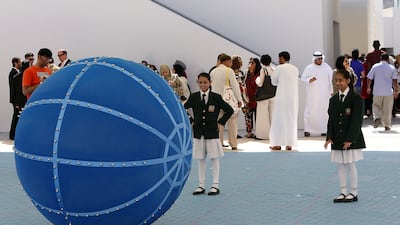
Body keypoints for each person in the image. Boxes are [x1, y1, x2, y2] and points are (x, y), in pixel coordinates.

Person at [184, 72, 233, 196]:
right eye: (200, 82)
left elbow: (229, 110)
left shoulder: (216, 97)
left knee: (214, 157)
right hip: (199, 132)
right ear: (197, 83)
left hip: (212, 132)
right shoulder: (194, 97)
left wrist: (221, 122)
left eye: (205, 82)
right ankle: (201, 185)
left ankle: (215, 185)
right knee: (200, 158)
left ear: (210, 82)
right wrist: (191, 120)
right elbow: (183, 108)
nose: (203, 85)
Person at [324, 69, 366, 203]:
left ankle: (353, 192)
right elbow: (331, 120)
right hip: (337, 138)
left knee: (350, 164)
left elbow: (356, 121)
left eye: (341, 80)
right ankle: (343, 192)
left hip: (350, 138)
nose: (338, 83)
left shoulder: (356, 99)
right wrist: (329, 136)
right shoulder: (333, 100)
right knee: (340, 165)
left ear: (348, 81)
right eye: (336, 80)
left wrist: (350, 139)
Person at [210, 53, 243, 150]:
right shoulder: (229, 71)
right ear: (226, 61)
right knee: (232, 121)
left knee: (219, 122)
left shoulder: (213, 72)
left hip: (216, 100)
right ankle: (233, 144)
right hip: (229, 100)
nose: (231, 63)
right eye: (230, 61)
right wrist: (239, 99)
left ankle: (218, 144)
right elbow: (235, 86)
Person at [269, 51, 299, 151]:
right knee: (291, 120)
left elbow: (273, 82)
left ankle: (277, 143)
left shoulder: (279, 68)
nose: (278, 60)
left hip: (281, 97)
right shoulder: (295, 68)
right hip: (293, 99)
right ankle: (289, 144)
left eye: (279, 58)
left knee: (279, 119)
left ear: (282, 58)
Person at [301, 51, 333, 137]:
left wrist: (332, 91)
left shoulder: (327, 68)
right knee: (310, 111)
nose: (320, 61)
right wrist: (309, 80)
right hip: (312, 95)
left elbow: (332, 80)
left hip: (325, 95)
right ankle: (308, 130)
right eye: (318, 59)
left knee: (324, 112)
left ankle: (324, 130)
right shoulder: (309, 68)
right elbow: (303, 78)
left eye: (321, 59)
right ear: (314, 59)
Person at [367, 53, 399, 130]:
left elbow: (369, 77)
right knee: (387, 109)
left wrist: (368, 87)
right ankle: (387, 125)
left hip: (377, 91)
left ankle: (377, 117)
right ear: (388, 59)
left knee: (376, 105)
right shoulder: (392, 68)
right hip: (388, 91)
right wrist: (395, 90)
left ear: (380, 58)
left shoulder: (375, 66)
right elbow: (394, 80)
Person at [255, 54, 276, 140]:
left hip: (263, 96)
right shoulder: (274, 69)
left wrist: (257, 79)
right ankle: (273, 134)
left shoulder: (263, 70)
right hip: (273, 95)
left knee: (263, 116)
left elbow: (260, 83)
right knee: (272, 116)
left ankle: (263, 135)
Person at [363, 40, 384, 117]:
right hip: (383, 78)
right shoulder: (383, 54)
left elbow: (368, 67)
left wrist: (368, 78)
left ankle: (372, 111)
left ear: (373, 45)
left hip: (373, 78)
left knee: (372, 95)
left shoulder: (369, 55)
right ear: (379, 45)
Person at [8, 57, 26, 140]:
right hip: (17, 100)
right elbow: (13, 88)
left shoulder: (16, 73)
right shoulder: (14, 74)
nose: (20, 64)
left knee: (17, 117)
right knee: (16, 117)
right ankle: (12, 135)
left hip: (17, 100)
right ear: (15, 63)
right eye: (19, 62)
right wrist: (15, 102)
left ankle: (14, 134)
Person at [243, 57, 261, 138]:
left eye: (252, 63)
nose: (250, 64)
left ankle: (259, 132)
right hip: (248, 98)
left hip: (257, 98)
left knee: (258, 117)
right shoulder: (247, 73)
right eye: (249, 62)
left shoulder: (259, 73)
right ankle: (249, 132)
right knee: (248, 117)